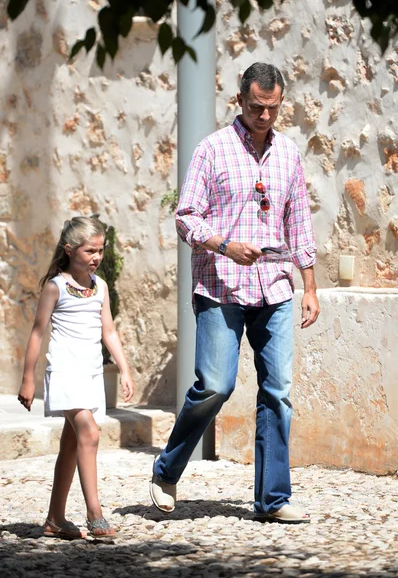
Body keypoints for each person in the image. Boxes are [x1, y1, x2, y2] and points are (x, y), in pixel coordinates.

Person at [150, 62, 320, 524]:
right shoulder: (212, 150)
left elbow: (299, 223)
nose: (265, 116)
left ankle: (273, 500)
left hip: (276, 288)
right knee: (216, 386)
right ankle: (167, 470)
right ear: (240, 102)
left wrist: (309, 286)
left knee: (278, 392)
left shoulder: (288, 153)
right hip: (220, 286)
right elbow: (186, 216)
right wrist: (225, 245)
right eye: (256, 107)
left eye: (273, 108)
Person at [18, 216, 134, 538]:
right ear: (69, 250)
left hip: (92, 373)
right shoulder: (56, 287)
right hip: (65, 372)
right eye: (89, 251)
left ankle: (55, 519)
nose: (97, 257)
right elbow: (37, 334)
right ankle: (95, 514)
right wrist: (28, 378)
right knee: (90, 434)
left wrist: (124, 369)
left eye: (101, 250)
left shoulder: (100, 287)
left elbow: (107, 330)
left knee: (71, 443)